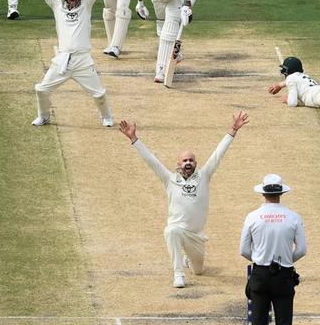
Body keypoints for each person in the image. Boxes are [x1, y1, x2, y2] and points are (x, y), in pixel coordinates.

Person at [118, 111, 250, 288]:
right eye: (185, 160)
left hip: (196, 237)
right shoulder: (169, 179)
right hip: (178, 230)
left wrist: (233, 130)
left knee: (198, 271)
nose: (188, 162)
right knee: (170, 231)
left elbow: (218, 153)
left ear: (196, 163)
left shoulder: (204, 175)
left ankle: (189, 256)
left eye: (191, 160)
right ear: (179, 164)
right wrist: (134, 139)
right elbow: (151, 160)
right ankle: (178, 274)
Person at [18, 0, 120, 127]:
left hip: (83, 60)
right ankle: (44, 116)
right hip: (63, 60)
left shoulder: (86, 5)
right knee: (41, 90)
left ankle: (106, 117)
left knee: (99, 94)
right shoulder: (57, 5)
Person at [240, 174, 307, 325]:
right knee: (284, 321)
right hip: (284, 274)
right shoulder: (294, 217)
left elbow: (244, 250)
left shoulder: (252, 217)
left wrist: (259, 257)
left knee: (258, 321)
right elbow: (301, 250)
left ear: (263, 193)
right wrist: (287, 259)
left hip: (260, 274)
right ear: (281, 193)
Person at [135, 0, 199, 82]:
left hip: (174, 1)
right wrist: (140, 3)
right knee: (162, 33)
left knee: (167, 34)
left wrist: (188, 5)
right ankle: (177, 55)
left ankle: (161, 71)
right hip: (158, 2)